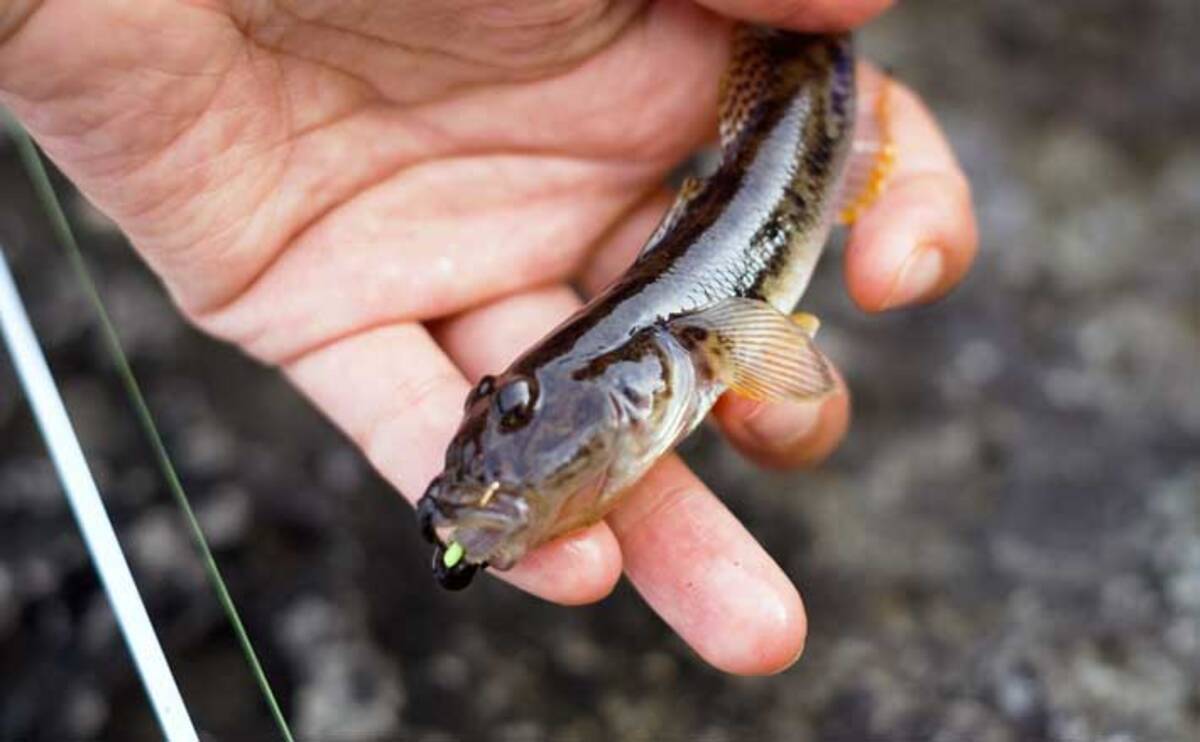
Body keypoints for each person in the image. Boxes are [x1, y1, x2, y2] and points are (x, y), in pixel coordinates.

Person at [0, 0, 976, 675]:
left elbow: (784, 364)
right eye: (504, 406)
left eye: (512, 402)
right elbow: (790, 369)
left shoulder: (693, 340)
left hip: (796, 99)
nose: (489, 473)